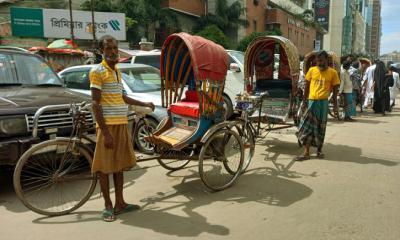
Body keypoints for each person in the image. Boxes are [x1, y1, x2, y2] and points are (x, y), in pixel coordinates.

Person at [90, 35, 155, 222]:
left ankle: (120, 203)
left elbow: (123, 97)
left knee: (118, 167)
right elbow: (95, 104)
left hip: (120, 123)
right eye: (108, 48)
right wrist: (106, 133)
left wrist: (143, 103)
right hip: (107, 127)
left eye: (115, 48)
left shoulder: (116, 70)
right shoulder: (98, 71)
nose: (113, 51)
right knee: (104, 168)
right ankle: (108, 206)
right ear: (101, 51)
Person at [296, 51, 340, 161]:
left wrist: (335, 106)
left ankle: (319, 150)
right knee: (308, 128)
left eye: (321, 60)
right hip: (311, 102)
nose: (319, 63)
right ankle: (306, 152)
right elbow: (306, 87)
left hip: (323, 103)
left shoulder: (333, 73)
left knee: (321, 127)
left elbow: (335, 92)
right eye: (318, 61)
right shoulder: (312, 70)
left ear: (327, 60)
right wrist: (304, 101)